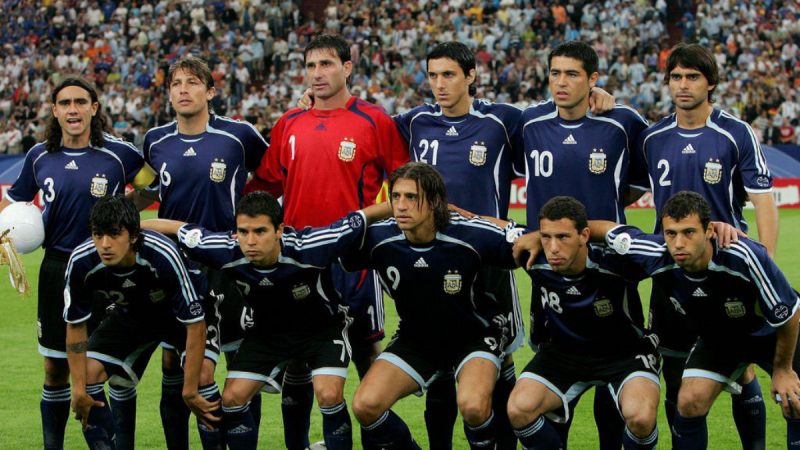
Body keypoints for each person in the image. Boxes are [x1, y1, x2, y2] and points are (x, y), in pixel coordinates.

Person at [245, 33, 409, 450]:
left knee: (367, 353)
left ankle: (376, 444)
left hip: (354, 261)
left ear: (347, 68)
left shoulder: (374, 121)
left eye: (327, 64)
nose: (318, 73)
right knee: (298, 360)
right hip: (301, 263)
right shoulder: (289, 123)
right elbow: (263, 186)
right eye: (311, 66)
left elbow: (404, 184)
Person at [142, 192, 393, 449]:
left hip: (321, 332)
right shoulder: (224, 248)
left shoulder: (310, 246)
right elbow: (178, 228)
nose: (250, 241)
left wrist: (407, 205)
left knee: (328, 394)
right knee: (232, 398)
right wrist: (122, 228)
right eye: (243, 231)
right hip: (266, 334)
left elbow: (361, 218)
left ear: (279, 230)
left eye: (260, 231)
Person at [634, 43, 777, 448]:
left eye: (692, 76)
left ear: (710, 82)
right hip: (670, 271)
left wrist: (762, 262)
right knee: (675, 373)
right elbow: (625, 189)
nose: (683, 85)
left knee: (741, 366)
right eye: (676, 77)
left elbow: (763, 199)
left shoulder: (735, 133)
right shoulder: (653, 138)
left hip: (726, 270)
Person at [0, 75, 153, 450]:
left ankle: (120, 445)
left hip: (107, 269)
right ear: (55, 110)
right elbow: (14, 203)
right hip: (58, 267)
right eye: (65, 103)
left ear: (94, 108)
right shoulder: (39, 156)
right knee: (55, 369)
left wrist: (121, 215)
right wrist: (10, 235)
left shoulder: (120, 155)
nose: (73, 109)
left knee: (108, 368)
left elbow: (152, 185)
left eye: (80, 102)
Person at [393, 41, 526, 450]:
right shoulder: (413, 122)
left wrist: (596, 97)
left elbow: (554, 125)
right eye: (432, 75)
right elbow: (363, 126)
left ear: (471, 75)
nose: (438, 84)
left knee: (499, 361)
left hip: (487, 259)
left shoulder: (503, 121)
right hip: (433, 260)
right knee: (441, 365)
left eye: (448, 74)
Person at [520, 40, 649, 449]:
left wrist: (593, 224)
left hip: (608, 267)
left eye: (573, 74)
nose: (561, 82)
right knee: (555, 375)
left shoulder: (622, 122)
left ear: (593, 79)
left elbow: (636, 187)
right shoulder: (527, 122)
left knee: (615, 374)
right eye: (555, 73)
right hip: (548, 267)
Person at [599, 191, 800, 449]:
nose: (679, 243)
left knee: (794, 398)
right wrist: (539, 238)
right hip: (720, 340)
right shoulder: (656, 253)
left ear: (709, 230)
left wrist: (783, 370)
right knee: (689, 400)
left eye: (689, 232)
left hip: (770, 335)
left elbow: (789, 311)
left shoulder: (743, 255)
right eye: (671, 233)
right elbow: (605, 231)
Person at [138, 55, 269, 449]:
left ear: (210, 91)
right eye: (176, 83)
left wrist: (253, 229)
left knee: (238, 362)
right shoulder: (155, 141)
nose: (183, 89)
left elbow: (274, 176)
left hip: (229, 263)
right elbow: (146, 190)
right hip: (174, 264)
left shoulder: (238, 135)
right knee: (173, 363)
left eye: (193, 82)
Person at [346, 162, 521, 449]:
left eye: (411, 197)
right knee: (366, 405)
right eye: (396, 196)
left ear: (436, 201)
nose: (401, 206)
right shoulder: (380, 238)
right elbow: (330, 244)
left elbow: (529, 238)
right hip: (417, 339)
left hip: (474, 336)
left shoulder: (469, 233)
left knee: (473, 406)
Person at [64, 195, 220, 449]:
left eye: (114, 235)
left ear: (134, 236)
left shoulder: (162, 254)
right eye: (98, 234)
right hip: (133, 313)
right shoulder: (81, 261)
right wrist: (78, 388)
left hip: (184, 314)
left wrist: (190, 390)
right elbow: (75, 325)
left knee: (202, 375)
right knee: (88, 374)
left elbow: (195, 325)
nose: (105, 244)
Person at [506, 196, 660, 450]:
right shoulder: (533, 256)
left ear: (584, 235)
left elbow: (668, 248)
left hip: (624, 355)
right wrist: (453, 212)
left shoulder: (618, 263)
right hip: (563, 355)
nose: (553, 247)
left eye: (563, 237)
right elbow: (489, 228)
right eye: (546, 236)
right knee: (518, 409)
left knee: (640, 417)